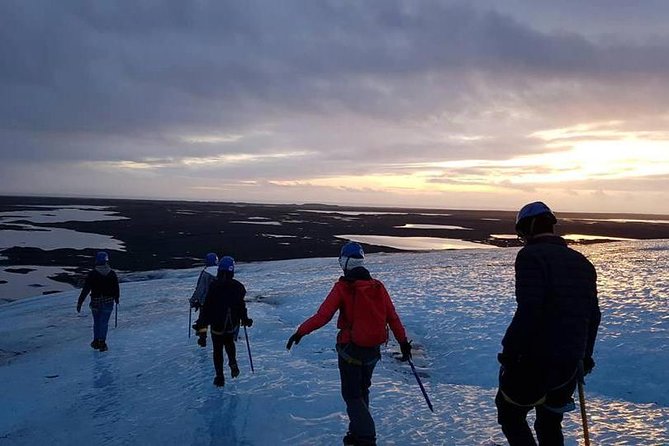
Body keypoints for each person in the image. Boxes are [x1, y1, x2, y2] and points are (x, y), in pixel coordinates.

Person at [286, 241, 412, 446]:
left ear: (344, 262)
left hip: (350, 351)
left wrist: (301, 331)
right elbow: (393, 318)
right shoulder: (378, 286)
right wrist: (403, 343)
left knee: (352, 395)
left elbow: (323, 315)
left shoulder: (343, 287)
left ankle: (366, 437)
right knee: (363, 391)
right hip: (372, 351)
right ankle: (355, 434)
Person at [496, 202, 601, 445]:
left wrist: (510, 351)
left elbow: (530, 309)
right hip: (569, 363)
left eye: (521, 232)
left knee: (509, 413)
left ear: (527, 228)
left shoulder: (530, 256)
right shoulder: (582, 261)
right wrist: (585, 355)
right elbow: (593, 315)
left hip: (535, 359)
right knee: (550, 421)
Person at [195, 256, 253, 387]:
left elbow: (207, 307)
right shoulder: (238, 287)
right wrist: (245, 319)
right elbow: (240, 306)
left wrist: (201, 325)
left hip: (216, 324)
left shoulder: (214, 286)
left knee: (217, 349)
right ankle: (233, 363)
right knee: (229, 343)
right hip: (231, 324)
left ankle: (219, 376)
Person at [76, 251, 120, 352]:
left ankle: (96, 341)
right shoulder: (112, 273)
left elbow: (86, 289)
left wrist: (80, 302)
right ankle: (102, 342)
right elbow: (116, 288)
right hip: (108, 302)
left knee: (97, 322)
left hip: (95, 302)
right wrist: (117, 298)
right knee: (104, 322)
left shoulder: (92, 274)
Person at [189, 252, 219, 347]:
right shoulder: (221, 271)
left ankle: (202, 338)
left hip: (205, 302)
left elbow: (200, 289)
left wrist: (193, 300)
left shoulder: (206, 273)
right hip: (218, 302)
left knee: (203, 321)